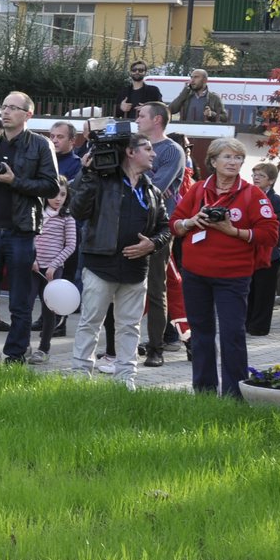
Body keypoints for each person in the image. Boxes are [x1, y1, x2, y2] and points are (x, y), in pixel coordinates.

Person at [170, 137, 278, 398]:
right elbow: (174, 222)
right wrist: (191, 222)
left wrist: (234, 231)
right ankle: (204, 393)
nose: (233, 162)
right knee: (201, 335)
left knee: (232, 335)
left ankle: (234, 395)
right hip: (195, 275)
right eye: (227, 157)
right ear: (213, 161)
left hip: (233, 276)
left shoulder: (253, 194)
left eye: (238, 157)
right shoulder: (197, 190)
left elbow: (270, 234)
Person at [66, 132, 170, 390]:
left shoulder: (152, 189)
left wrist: (153, 244)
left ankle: (125, 380)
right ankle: (80, 376)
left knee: (130, 326)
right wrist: (88, 174)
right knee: (91, 322)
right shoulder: (101, 181)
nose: (154, 153)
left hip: (136, 269)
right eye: (148, 148)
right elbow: (77, 211)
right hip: (101, 264)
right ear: (130, 152)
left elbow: (165, 228)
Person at [0, 92, 59, 364]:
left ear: (28, 115)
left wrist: (14, 181)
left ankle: (14, 355)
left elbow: (51, 186)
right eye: (4, 107)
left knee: (20, 302)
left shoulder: (40, 145)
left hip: (21, 232)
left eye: (13, 108)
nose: (5, 112)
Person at [134, 101, 185, 367]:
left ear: (157, 120)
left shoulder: (172, 151)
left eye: (141, 115)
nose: (136, 118)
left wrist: (133, 171)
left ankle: (157, 348)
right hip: (129, 224)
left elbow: (156, 186)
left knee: (156, 289)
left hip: (157, 227)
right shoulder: (131, 145)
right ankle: (116, 347)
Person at [25, 181, 76, 363]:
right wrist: (33, 259)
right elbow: (30, 237)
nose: (58, 199)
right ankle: (24, 344)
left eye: (62, 195)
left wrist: (54, 265)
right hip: (33, 268)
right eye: (54, 194)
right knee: (26, 306)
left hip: (53, 272)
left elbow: (70, 245)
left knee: (49, 311)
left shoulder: (67, 218)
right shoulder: (37, 213)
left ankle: (43, 349)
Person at [245, 162, 280, 336]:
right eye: (254, 174)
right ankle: (248, 323)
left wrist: (266, 237)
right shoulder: (249, 195)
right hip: (251, 252)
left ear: (270, 180)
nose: (256, 178)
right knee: (250, 291)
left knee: (264, 293)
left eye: (260, 175)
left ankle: (259, 327)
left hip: (270, 253)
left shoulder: (275, 199)